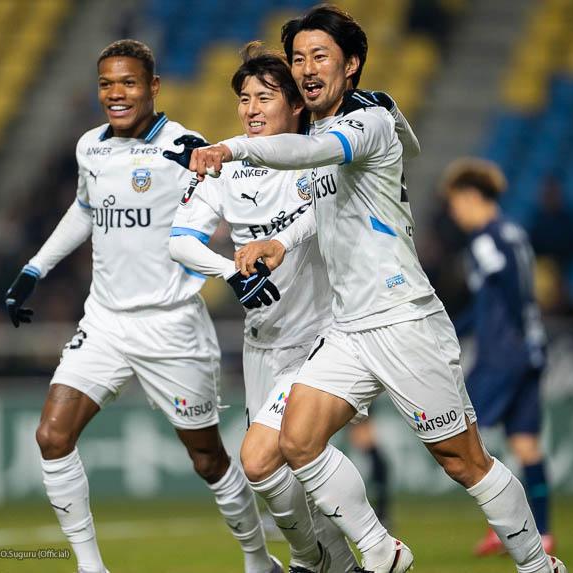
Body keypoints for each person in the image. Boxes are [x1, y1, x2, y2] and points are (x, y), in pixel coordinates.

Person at [188, 5, 566, 573]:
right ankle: (380, 551)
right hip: (347, 329)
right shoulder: (325, 128)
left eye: (320, 56)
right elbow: (324, 204)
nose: (307, 67)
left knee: (464, 462)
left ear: (352, 64)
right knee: (294, 441)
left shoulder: (369, 120)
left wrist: (231, 147)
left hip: (402, 317)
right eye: (298, 58)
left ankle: (538, 565)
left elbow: (312, 152)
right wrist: (282, 243)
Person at [3, 39, 279, 573]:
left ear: (153, 87)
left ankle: (258, 560)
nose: (116, 93)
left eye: (128, 82)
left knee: (208, 459)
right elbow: (85, 210)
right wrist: (35, 268)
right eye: (107, 84)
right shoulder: (90, 147)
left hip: (171, 325)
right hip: (105, 322)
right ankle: (91, 567)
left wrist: (247, 263)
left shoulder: (184, 147)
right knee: (52, 435)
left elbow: (238, 195)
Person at [167, 42, 358, 573]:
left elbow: (328, 214)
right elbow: (180, 241)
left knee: (262, 458)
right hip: (263, 347)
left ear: (296, 104)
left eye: (264, 97)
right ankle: (335, 563)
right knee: (277, 471)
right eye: (244, 98)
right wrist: (231, 273)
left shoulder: (319, 156)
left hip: (320, 341)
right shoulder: (225, 168)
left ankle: (317, 558)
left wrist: (282, 243)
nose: (251, 108)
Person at [440, 157, 555, 557]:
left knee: (463, 434)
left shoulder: (485, 239)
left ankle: (506, 525)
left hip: (502, 354)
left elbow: (510, 293)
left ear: (471, 196)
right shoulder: (513, 232)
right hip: (528, 349)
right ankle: (541, 532)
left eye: (456, 202)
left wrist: (518, 335)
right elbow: (506, 297)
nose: (454, 212)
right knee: (525, 444)